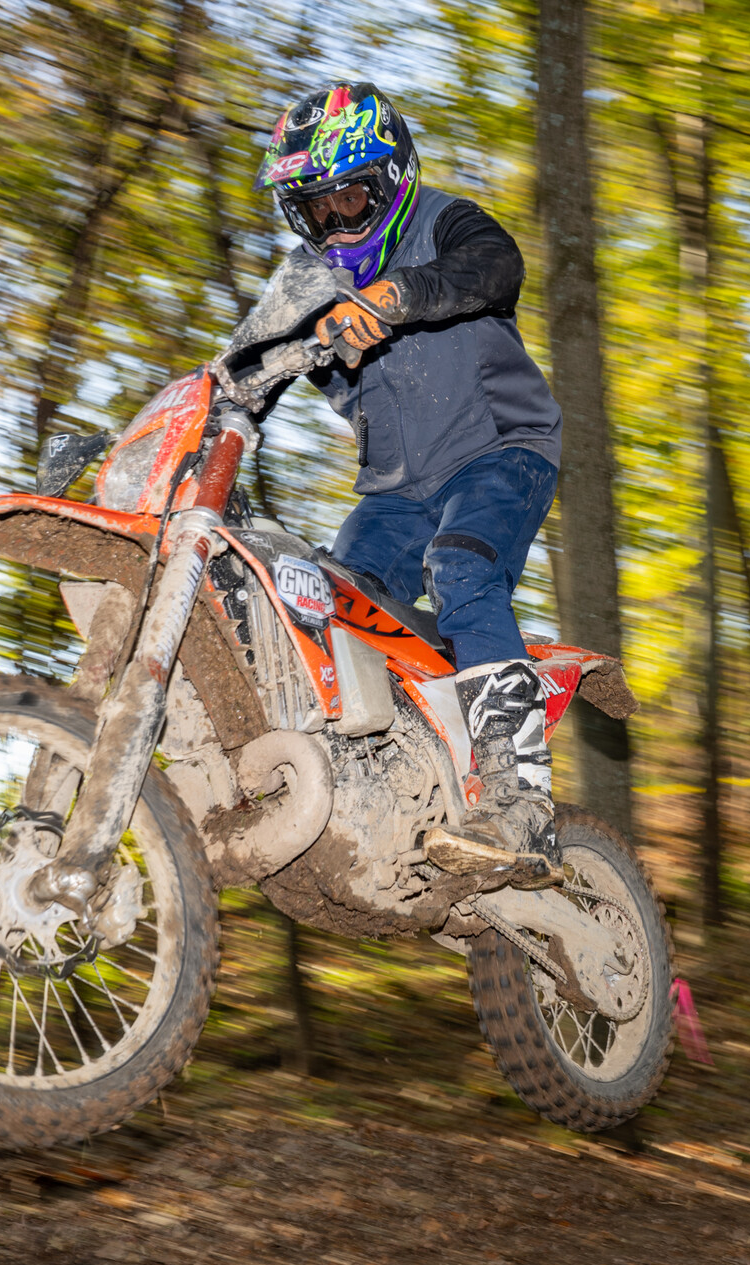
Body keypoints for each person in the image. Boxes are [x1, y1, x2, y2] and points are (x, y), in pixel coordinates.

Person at [255, 81, 564, 880]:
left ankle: (522, 803)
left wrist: (398, 296)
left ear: (391, 179)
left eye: (350, 197)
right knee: (322, 601)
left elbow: (498, 268)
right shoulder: (302, 282)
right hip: (395, 489)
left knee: (459, 567)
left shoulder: (445, 221)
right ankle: (386, 776)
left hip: (500, 452)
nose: (335, 221)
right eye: (316, 209)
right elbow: (238, 369)